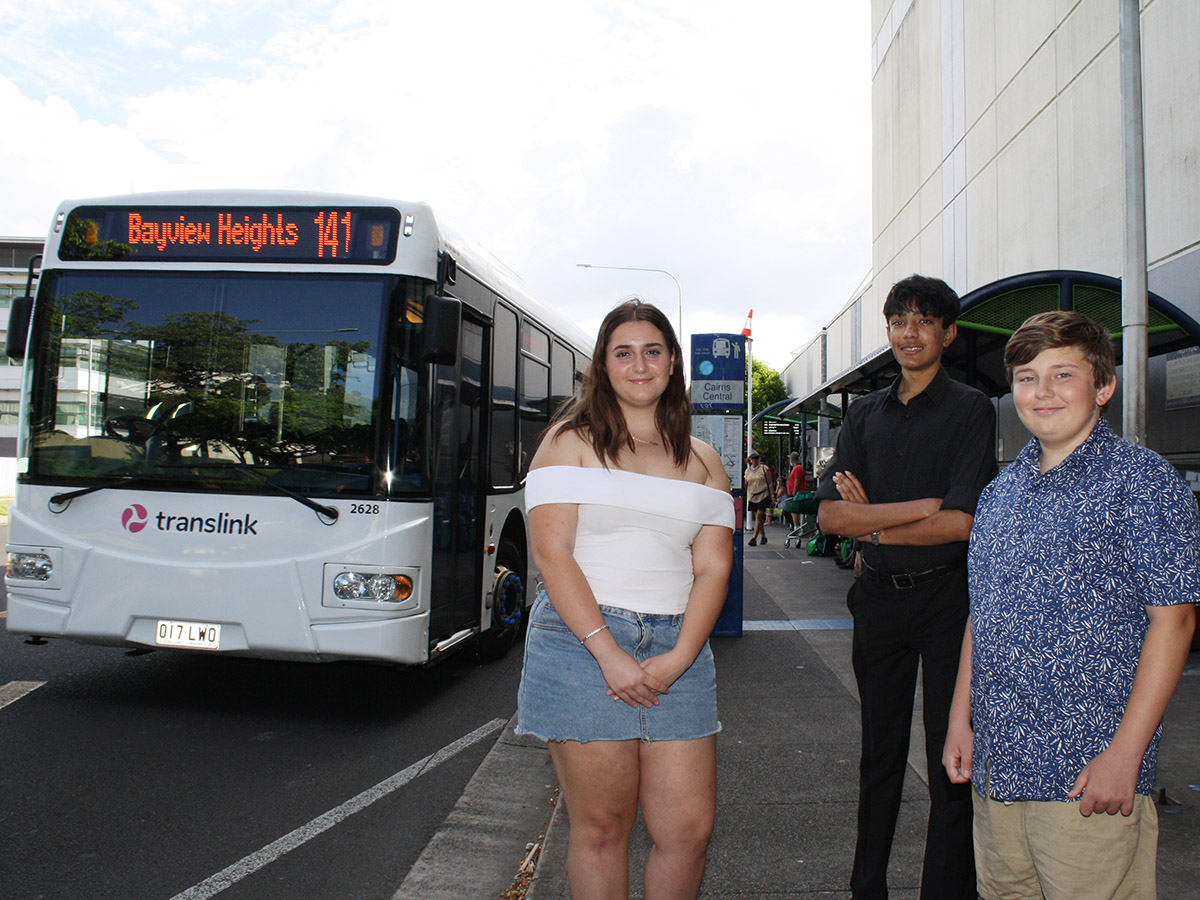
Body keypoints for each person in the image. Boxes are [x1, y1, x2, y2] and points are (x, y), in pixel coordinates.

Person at [943, 311, 1199, 900]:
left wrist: (1125, 756)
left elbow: (1175, 620)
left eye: (1063, 375)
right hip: (999, 772)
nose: (1043, 392)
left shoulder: (1142, 482)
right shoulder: (999, 492)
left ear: (1103, 386)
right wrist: (962, 719)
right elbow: (982, 618)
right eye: (1028, 377)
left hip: (1088, 778)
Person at [515, 299, 734, 900]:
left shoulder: (705, 461)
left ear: (672, 364)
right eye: (623, 352)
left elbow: (714, 566)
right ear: (604, 366)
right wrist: (608, 652)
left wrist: (680, 655)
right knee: (603, 828)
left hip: (678, 648)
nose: (639, 364)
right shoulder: (568, 442)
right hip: (581, 646)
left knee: (688, 832)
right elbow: (552, 554)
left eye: (653, 350)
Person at [815, 274, 996, 900]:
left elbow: (962, 521)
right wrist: (919, 507)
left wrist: (877, 524)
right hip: (878, 601)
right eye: (898, 321)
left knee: (952, 759)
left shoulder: (970, 409)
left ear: (947, 333)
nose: (908, 333)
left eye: (922, 321)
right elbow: (831, 517)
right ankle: (867, 887)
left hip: (948, 599)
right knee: (879, 755)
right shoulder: (864, 414)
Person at [744, 450, 773, 545]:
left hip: (763, 494)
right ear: (750, 460)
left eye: (757, 459)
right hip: (752, 496)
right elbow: (746, 484)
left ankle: (754, 538)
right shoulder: (747, 471)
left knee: (759, 515)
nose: (755, 461)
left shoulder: (764, 468)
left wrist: (772, 495)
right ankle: (763, 537)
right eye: (753, 459)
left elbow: (770, 482)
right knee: (758, 518)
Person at [786, 451, 808, 533]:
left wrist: (794, 492)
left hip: (795, 493)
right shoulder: (796, 468)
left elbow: (797, 480)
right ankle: (795, 525)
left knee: (794, 509)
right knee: (792, 510)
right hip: (793, 492)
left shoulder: (798, 468)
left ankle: (796, 526)